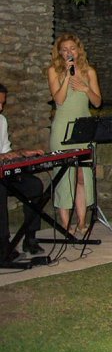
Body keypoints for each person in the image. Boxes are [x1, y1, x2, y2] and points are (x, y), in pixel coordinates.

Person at [47, 33, 102, 234]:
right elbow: (59, 100)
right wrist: (68, 77)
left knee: (81, 176)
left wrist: (85, 88)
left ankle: (81, 222)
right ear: (60, 53)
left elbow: (97, 102)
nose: (69, 52)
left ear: (78, 50)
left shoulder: (89, 72)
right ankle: (64, 224)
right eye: (65, 49)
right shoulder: (54, 71)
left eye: (73, 48)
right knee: (64, 175)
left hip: (83, 127)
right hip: (62, 128)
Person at [0, 83, 45, 259]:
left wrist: (21, 154)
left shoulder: (1, 121)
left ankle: (30, 238)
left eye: (3, 103)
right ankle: (3, 244)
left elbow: (5, 152)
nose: (0, 107)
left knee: (34, 185)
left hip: (3, 172)